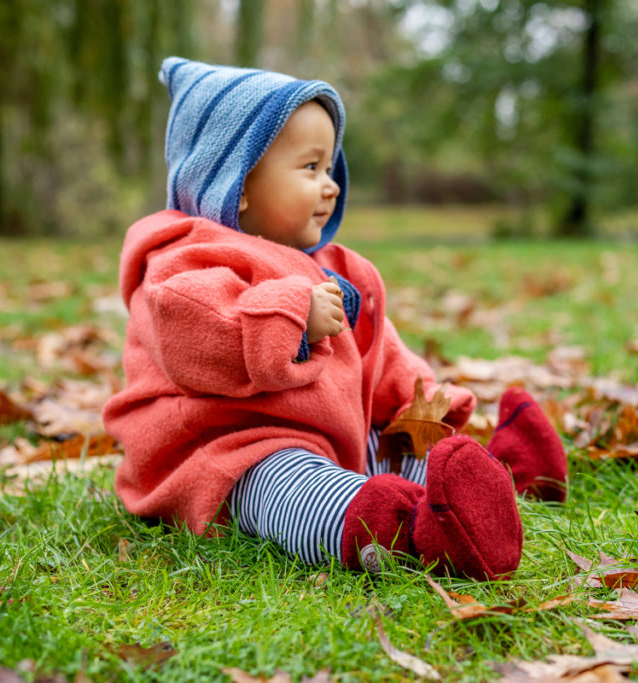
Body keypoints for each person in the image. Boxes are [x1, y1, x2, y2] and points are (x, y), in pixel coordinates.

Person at [102, 57, 567, 581]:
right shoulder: (184, 259)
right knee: (289, 488)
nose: (332, 186)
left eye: (330, 169)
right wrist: (292, 316)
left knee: (392, 445)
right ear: (239, 179)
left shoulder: (334, 268)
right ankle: (405, 533)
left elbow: (379, 351)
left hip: (329, 439)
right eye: (310, 168)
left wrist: (421, 405)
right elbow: (199, 328)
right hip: (227, 453)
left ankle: (501, 477)